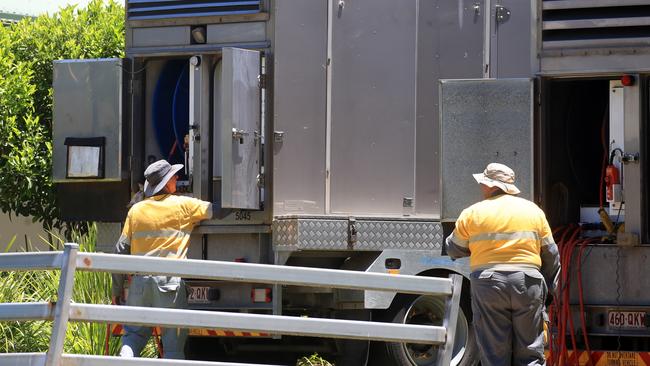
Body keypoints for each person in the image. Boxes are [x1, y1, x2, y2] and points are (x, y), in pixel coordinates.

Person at [445, 163, 560, 366]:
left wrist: (476, 248)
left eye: (483, 183)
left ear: (489, 185)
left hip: (489, 285)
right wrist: (549, 291)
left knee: (494, 354)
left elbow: (453, 249)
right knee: (530, 352)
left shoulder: (473, 213)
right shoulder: (533, 211)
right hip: (527, 283)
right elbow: (551, 254)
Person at [112, 159, 213, 359]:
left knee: (132, 337)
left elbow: (119, 250)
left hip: (139, 286)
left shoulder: (136, 210)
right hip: (169, 287)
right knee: (173, 348)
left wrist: (116, 290)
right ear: (166, 183)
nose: (177, 178)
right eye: (174, 176)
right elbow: (213, 210)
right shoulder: (183, 205)